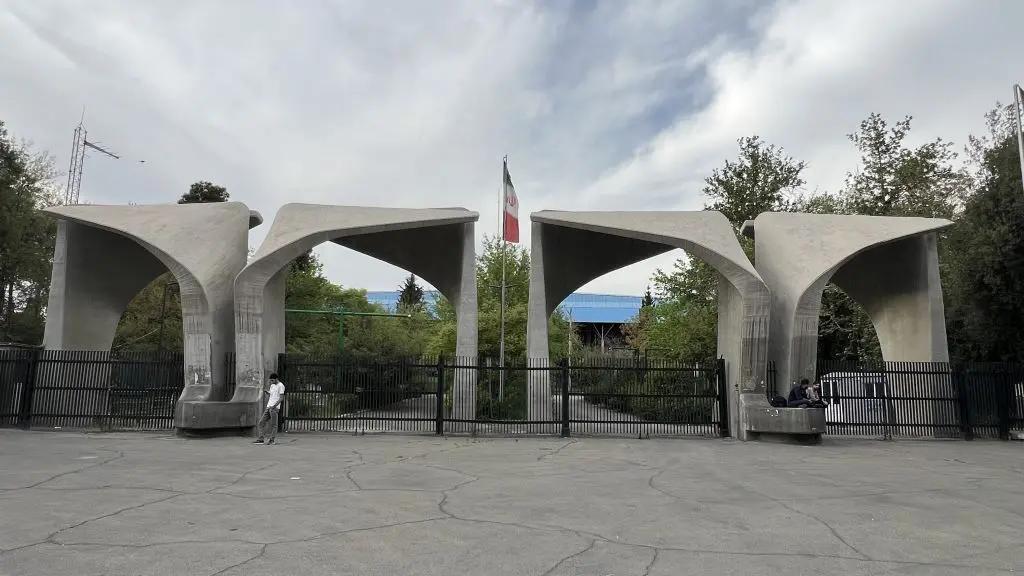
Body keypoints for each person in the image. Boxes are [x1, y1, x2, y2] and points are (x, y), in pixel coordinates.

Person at [254, 373, 285, 445]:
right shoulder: (272, 385)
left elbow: (281, 398)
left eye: (272, 380)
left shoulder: (281, 386)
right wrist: (267, 392)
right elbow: (271, 395)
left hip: (274, 408)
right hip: (268, 407)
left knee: (274, 425)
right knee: (261, 423)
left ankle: (272, 440)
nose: (271, 381)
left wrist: (274, 406)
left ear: (276, 379)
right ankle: (261, 439)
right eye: (271, 380)